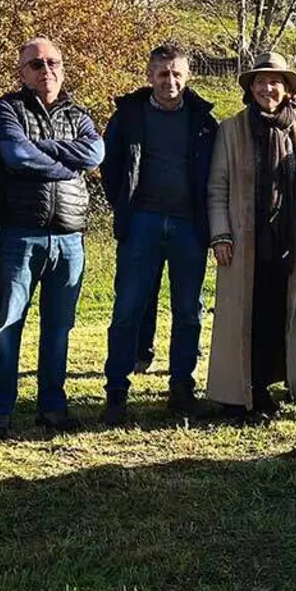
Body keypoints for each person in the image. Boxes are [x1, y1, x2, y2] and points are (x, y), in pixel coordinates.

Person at [0, 37, 104, 439]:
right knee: (8, 325)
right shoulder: (7, 109)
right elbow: (15, 156)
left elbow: (95, 154)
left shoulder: (79, 113)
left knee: (59, 327)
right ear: (22, 72)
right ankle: (0, 411)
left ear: (63, 68)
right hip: (21, 232)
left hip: (70, 237)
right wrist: (67, 162)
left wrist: (44, 150)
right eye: (35, 64)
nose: (45, 69)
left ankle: (52, 407)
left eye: (53, 62)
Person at [101, 43, 218, 423]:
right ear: (149, 76)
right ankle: (116, 391)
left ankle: (181, 388)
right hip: (142, 224)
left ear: (188, 77)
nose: (170, 81)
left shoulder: (203, 121)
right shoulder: (128, 116)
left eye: (177, 74)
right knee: (127, 309)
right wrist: (126, 209)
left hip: (189, 227)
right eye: (163, 74)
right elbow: (111, 167)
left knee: (189, 311)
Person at [206, 53, 296, 419]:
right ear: (250, 88)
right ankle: (237, 394)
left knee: (277, 314)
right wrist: (220, 234)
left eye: (275, 81)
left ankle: (265, 387)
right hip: (243, 241)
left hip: (287, 239)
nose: (266, 88)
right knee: (243, 317)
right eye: (260, 81)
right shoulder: (231, 129)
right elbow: (217, 187)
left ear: (287, 89)